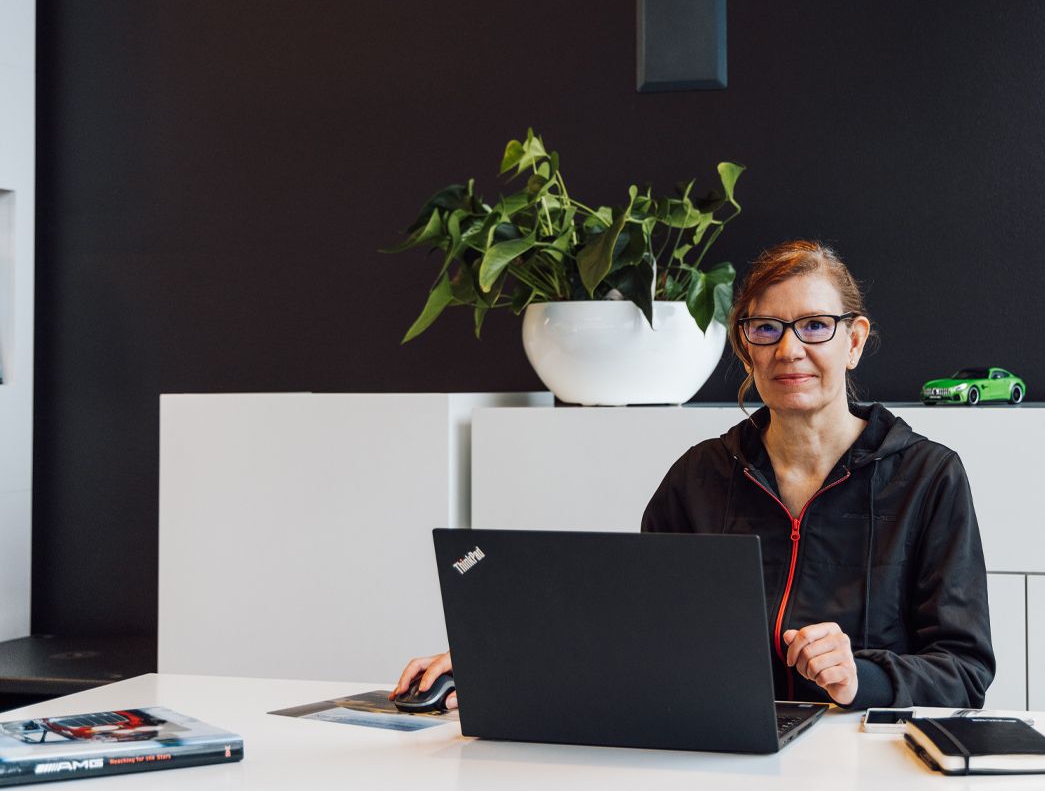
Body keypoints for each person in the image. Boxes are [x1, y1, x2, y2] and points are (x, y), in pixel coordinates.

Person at [393, 239, 994, 711]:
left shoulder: (928, 477)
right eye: (767, 329)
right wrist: (495, 662)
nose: (789, 350)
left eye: (815, 325)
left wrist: (861, 677)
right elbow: (633, 633)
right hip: (720, 752)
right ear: (746, 348)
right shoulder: (701, 476)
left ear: (854, 341)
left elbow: (964, 672)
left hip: (859, 759)